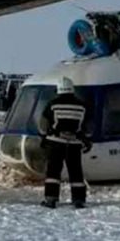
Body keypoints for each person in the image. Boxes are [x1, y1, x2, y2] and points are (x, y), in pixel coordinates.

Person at [37, 79, 94, 208]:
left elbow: (43, 125)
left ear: (58, 90)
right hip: (74, 143)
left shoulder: (53, 105)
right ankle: (78, 200)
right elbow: (89, 128)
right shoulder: (82, 107)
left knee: (53, 171)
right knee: (76, 171)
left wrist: (44, 136)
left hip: (56, 143)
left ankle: (51, 199)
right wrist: (85, 138)